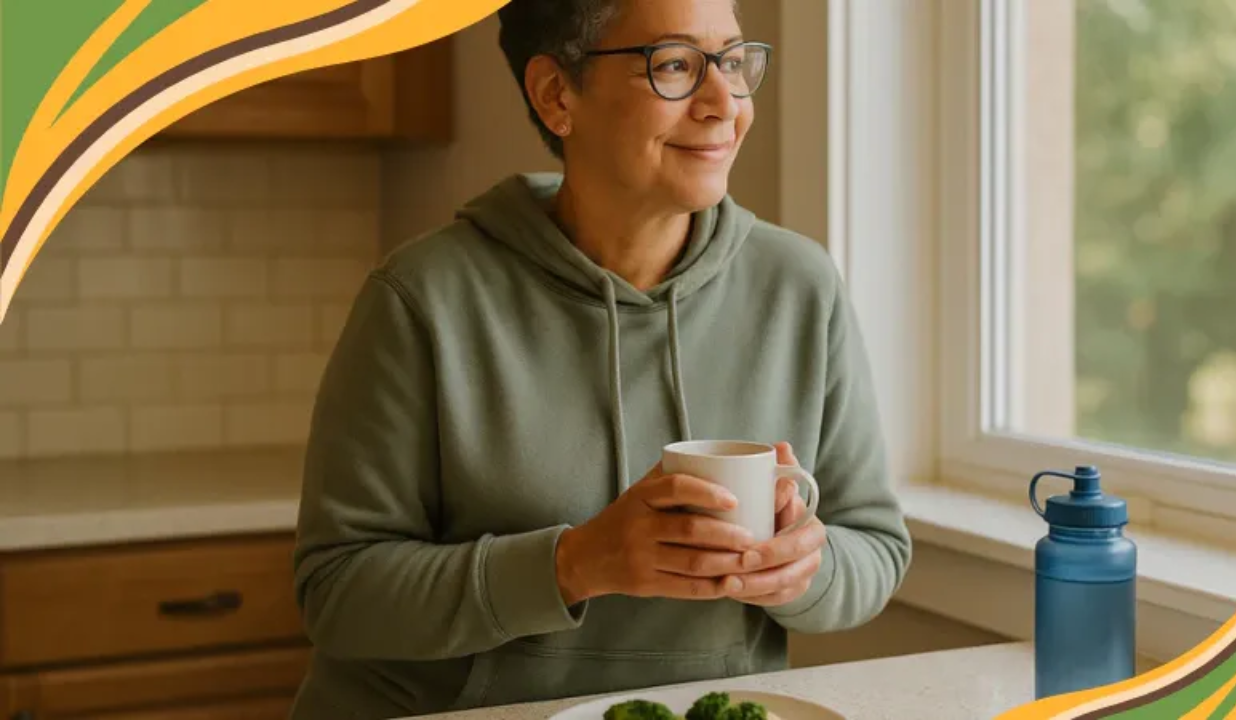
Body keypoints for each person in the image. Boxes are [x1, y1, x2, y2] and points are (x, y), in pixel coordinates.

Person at [287, 0, 911, 717]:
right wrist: (575, 564)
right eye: (675, 65)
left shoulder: (800, 285)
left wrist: (804, 570)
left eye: (734, 62)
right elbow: (338, 592)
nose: (724, 104)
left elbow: (876, 550)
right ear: (557, 95)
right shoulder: (421, 298)